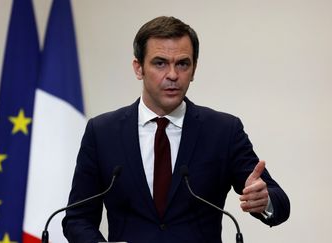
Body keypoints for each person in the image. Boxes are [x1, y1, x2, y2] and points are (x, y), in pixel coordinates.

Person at [62, 16, 290, 243]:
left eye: (182, 64)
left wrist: (265, 201)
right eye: (160, 63)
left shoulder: (223, 131)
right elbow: (77, 218)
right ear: (138, 68)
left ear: (194, 69)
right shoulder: (102, 132)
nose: (172, 74)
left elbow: (279, 203)